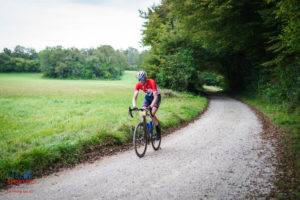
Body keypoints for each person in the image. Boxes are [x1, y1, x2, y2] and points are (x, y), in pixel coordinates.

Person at [132, 70, 161, 139]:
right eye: (139, 79)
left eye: (142, 79)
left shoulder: (151, 82)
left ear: (145, 78)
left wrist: (151, 106)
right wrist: (134, 105)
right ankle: (147, 130)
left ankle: (158, 131)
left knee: (151, 114)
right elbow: (134, 97)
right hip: (148, 98)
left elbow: (156, 97)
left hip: (156, 97)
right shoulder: (138, 84)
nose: (141, 81)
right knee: (142, 114)